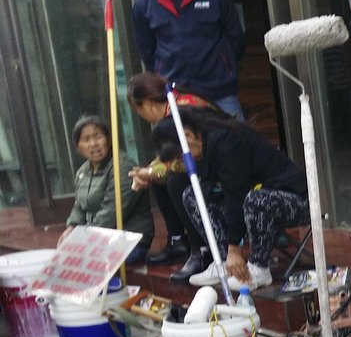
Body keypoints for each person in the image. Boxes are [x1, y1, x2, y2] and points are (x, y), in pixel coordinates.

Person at [151, 108, 308, 290]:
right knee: (193, 195)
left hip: (295, 199)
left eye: (180, 156)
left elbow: (236, 195)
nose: (182, 162)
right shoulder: (203, 144)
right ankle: (224, 262)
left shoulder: (227, 141)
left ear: (188, 136)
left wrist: (236, 249)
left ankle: (259, 268)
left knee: (255, 200)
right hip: (253, 197)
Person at [132, 0, 245, 119]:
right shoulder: (143, 4)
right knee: (184, 145)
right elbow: (146, 50)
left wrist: (226, 66)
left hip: (219, 90)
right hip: (176, 94)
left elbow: (235, 37)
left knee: (236, 143)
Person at [127, 71, 225, 278]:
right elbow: (170, 157)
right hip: (204, 163)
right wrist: (150, 172)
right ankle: (178, 241)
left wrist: (152, 171)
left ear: (146, 104)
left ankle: (201, 250)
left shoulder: (180, 109)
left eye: (139, 111)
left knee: (175, 181)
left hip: (220, 163)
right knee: (160, 178)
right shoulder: (172, 105)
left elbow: (183, 160)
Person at [61, 115, 154, 263]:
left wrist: (83, 241)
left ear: (109, 140)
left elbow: (111, 212)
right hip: (97, 238)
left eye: (98, 137)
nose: (93, 144)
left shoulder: (122, 166)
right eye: (86, 140)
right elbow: (79, 206)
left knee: (80, 261)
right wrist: (72, 227)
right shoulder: (82, 172)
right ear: (78, 147)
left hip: (127, 241)